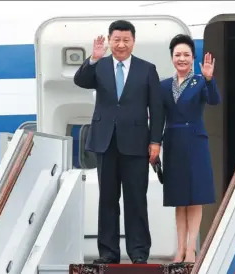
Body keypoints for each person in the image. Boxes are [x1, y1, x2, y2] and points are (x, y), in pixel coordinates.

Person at [73, 20, 164, 264]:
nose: (121, 44)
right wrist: (92, 58)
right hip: (105, 142)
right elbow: (79, 80)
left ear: (133, 41)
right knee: (107, 200)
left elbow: (156, 109)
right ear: (110, 40)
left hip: (136, 143)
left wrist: (156, 141)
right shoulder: (99, 66)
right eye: (117, 39)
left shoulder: (147, 69)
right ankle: (108, 253)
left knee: (136, 200)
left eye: (126, 40)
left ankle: (138, 253)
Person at [160, 34, 220, 264]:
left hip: (196, 142)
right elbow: (158, 116)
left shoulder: (200, 81)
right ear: (172, 58)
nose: (182, 59)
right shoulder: (164, 85)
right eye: (178, 55)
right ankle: (180, 248)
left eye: (186, 55)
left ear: (193, 58)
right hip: (173, 142)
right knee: (179, 198)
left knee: (195, 197)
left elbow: (214, 100)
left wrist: (209, 79)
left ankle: (192, 248)